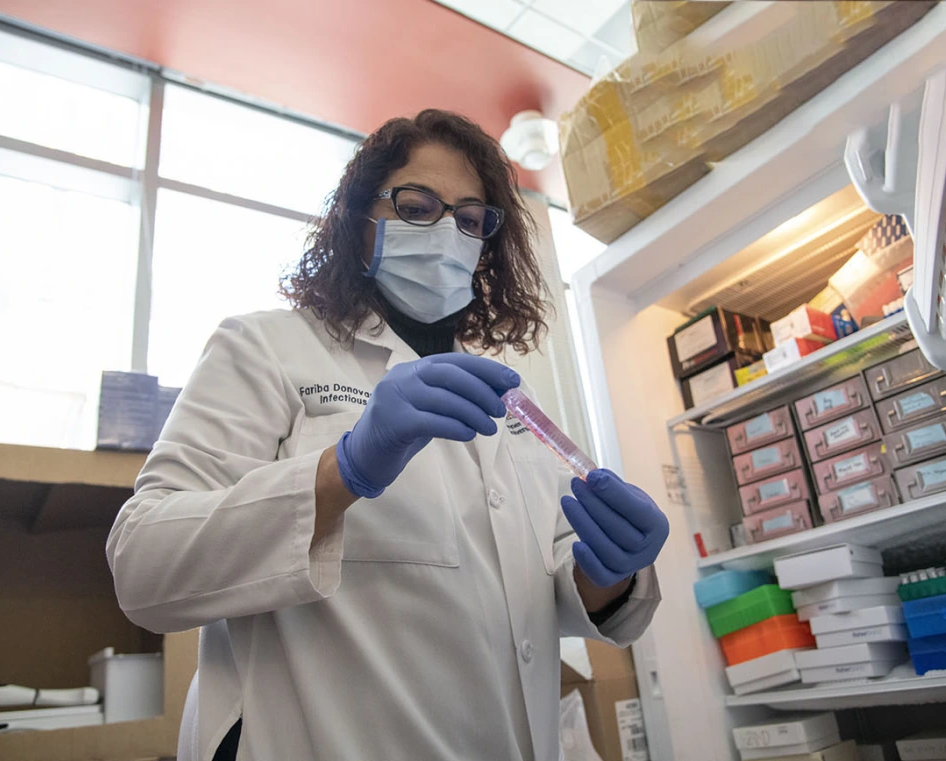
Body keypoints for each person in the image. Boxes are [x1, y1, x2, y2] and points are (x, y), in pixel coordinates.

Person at [107, 109, 669, 761]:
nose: (445, 233)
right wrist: (345, 468)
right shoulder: (267, 347)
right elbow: (143, 566)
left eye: (468, 219)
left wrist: (611, 572)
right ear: (359, 216)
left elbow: (546, 599)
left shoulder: (516, 400)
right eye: (417, 206)